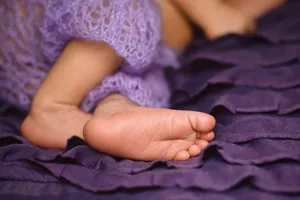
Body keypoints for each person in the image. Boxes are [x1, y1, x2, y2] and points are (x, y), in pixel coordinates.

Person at [0, 0, 285, 161]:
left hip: (91, 66)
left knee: (138, 77)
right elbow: (224, 21)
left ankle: (112, 112)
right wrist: (213, 12)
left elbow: (245, 14)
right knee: (120, 9)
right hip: (40, 28)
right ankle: (53, 107)